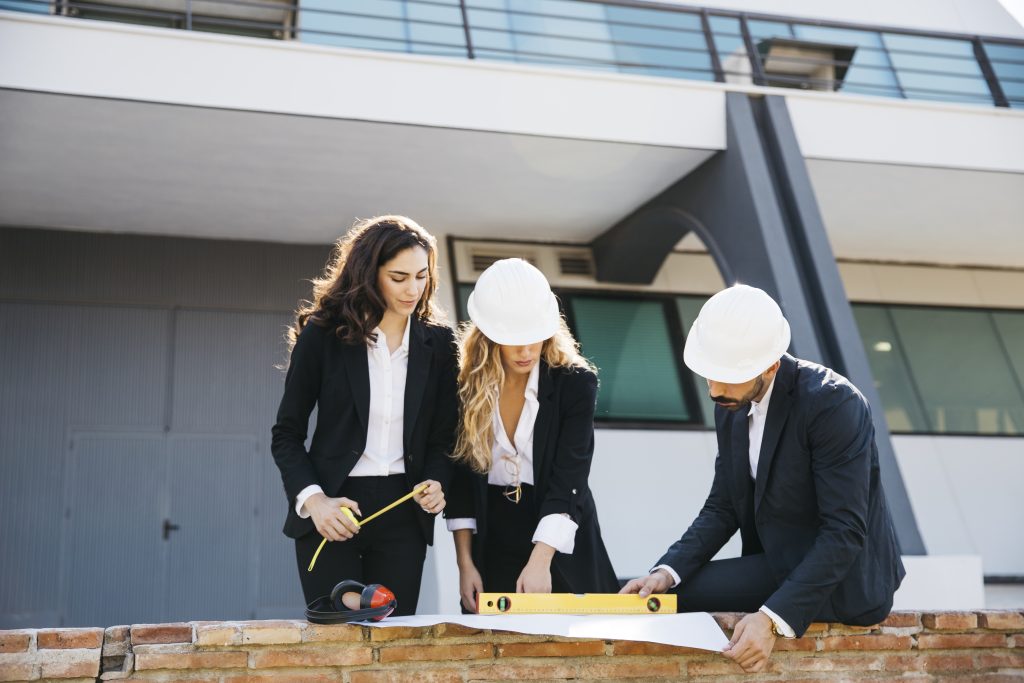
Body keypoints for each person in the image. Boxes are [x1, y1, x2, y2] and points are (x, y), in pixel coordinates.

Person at [621, 284, 905, 673]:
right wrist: (666, 571)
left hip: (846, 581)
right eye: (709, 374)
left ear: (770, 365)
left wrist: (772, 618)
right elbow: (722, 507)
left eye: (727, 376)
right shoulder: (730, 405)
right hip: (777, 562)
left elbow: (844, 531)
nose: (714, 390)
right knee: (660, 599)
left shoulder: (834, 404)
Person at [271, 215, 458, 616]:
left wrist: (439, 481)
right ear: (369, 274)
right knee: (339, 636)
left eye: (422, 276)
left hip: (404, 512)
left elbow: (445, 437)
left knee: (393, 639)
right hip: (333, 508)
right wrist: (314, 501)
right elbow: (286, 434)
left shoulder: (440, 344)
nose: (413, 289)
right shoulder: (323, 335)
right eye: (399, 277)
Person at [446, 258, 619, 612]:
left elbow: (570, 476)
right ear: (489, 333)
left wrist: (541, 559)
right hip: (492, 534)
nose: (526, 352)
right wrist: (465, 564)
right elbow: (461, 482)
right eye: (513, 340)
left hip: (559, 528)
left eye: (533, 338)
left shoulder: (575, 383)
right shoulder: (463, 387)